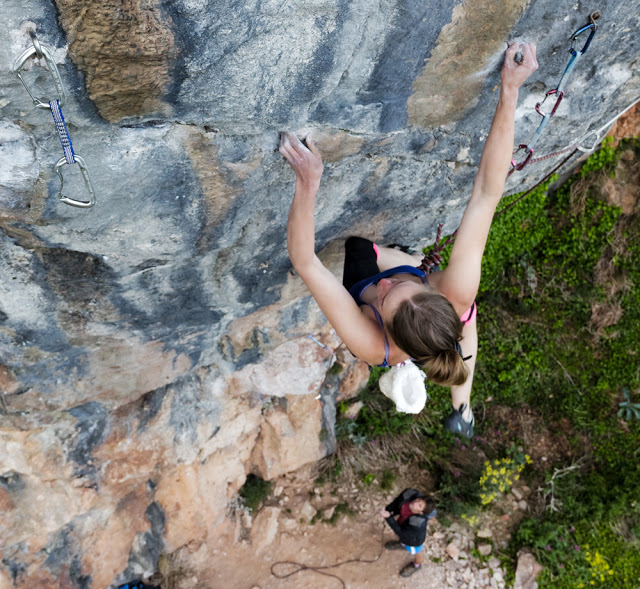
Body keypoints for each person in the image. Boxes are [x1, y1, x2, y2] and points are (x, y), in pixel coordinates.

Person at [280, 43, 539, 438]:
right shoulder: (456, 290)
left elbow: (305, 261)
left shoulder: (372, 343)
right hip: (447, 303)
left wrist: (308, 183)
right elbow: (488, 191)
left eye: (386, 297)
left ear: (387, 328)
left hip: (373, 303)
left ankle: (460, 405)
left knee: (360, 251)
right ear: (435, 290)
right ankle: (462, 402)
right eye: (402, 284)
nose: (385, 284)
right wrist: (510, 89)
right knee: (465, 317)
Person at [378, 488, 437, 578]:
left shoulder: (418, 522)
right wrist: (388, 510)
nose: (415, 503)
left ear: (421, 513)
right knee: (401, 538)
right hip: (404, 526)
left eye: (419, 506)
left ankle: (417, 564)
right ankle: (402, 544)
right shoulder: (410, 494)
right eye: (418, 500)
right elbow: (396, 502)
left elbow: (401, 532)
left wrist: (389, 517)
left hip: (413, 540)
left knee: (417, 551)